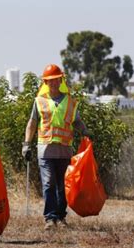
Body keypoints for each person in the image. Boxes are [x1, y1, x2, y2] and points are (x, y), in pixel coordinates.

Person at [22, 64, 89, 231]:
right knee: (48, 182)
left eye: (56, 80)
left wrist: (87, 132)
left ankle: (60, 216)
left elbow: (77, 122)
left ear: (61, 80)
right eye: (49, 80)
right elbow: (32, 123)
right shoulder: (39, 101)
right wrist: (26, 144)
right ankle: (50, 218)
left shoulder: (71, 102)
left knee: (62, 185)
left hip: (65, 149)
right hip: (45, 149)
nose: (53, 83)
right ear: (45, 82)